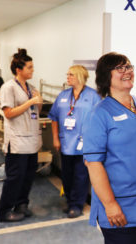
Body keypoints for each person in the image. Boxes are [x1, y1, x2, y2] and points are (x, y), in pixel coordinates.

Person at [83, 52, 136, 244]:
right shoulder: (99, 114)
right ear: (105, 76)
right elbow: (93, 164)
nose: (126, 71)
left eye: (129, 66)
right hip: (120, 206)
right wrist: (110, 205)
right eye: (119, 68)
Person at [0, 48, 43, 222]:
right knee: (15, 178)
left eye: (32, 67)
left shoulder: (31, 87)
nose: (32, 70)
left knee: (29, 176)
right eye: (29, 67)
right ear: (19, 70)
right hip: (17, 142)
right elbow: (8, 113)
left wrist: (38, 102)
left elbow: (35, 111)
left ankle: (22, 205)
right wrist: (30, 101)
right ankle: (3, 212)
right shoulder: (8, 87)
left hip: (32, 140)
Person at [48, 65, 100, 218]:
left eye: (70, 74)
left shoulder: (93, 96)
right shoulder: (63, 95)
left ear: (79, 76)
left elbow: (100, 120)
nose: (67, 77)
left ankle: (77, 205)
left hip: (85, 144)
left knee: (81, 175)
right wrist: (56, 138)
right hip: (66, 143)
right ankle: (70, 200)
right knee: (67, 175)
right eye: (68, 74)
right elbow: (54, 117)